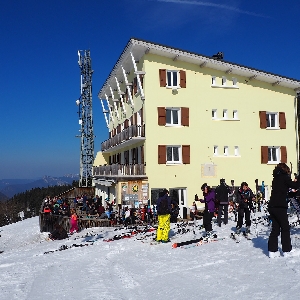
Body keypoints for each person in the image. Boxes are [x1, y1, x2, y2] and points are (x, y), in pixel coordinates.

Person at [268, 163, 300, 258]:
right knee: (285, 228)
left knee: (275, 229)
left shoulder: (276, 178)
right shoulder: (284, 177)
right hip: (280, 206)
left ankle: (272, 251)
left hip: (272, 206)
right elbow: (295, 186)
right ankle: (287, 250)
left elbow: (283, 191)